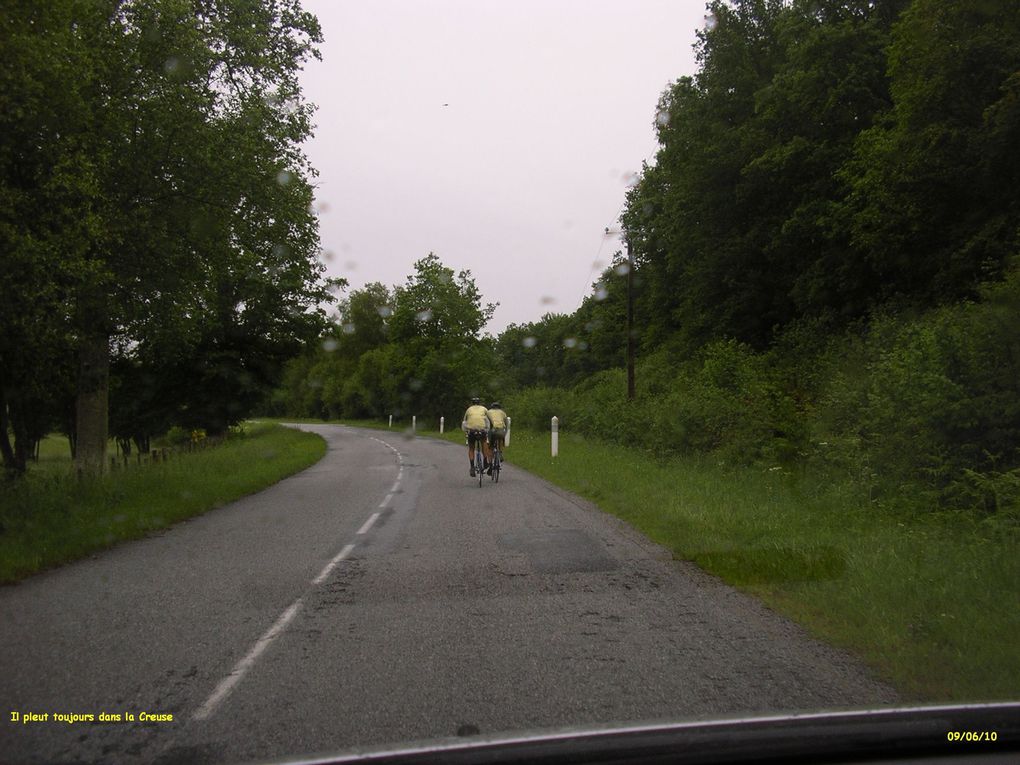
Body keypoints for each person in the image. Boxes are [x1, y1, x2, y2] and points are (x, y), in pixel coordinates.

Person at [461, 397, 491, 477]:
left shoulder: (469, 409)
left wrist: (466, 431)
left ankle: (472, 467)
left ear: (472, 403)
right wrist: (487, 430)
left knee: (471, 448)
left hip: (472, 431)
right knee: (484, 442)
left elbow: (464, 422)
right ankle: (485, 461)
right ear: (479, 403)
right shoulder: (484, 409)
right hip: (482, 430)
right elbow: (488, 420)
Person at [486, 401, 509, 474]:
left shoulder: (488, 412)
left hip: (493, 431)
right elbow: (506, 422)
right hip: (501, 431)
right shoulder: (502, 412)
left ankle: (490, 465)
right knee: (501, 439)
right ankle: (500, 453)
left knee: (490, 447)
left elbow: (487, 423)